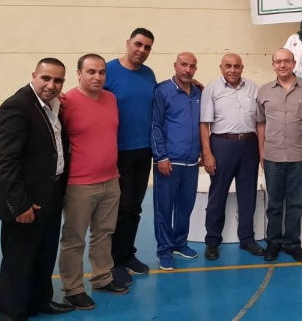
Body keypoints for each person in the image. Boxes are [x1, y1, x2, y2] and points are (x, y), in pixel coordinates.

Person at [0, 58, 75, 320]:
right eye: (46, 78)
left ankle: (39, 301)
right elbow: (4, 162)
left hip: (51, 193)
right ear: (33, 75)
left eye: (58, 80)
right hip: (26, 199)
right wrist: (19, 204)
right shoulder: (17, 107)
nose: (51, 85)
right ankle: (11, 314)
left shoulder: (54, 106)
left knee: (44, 254)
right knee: (19, 260)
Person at [59, 54, 128, 310]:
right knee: (74, 239)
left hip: (111, 180)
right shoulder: (66, 102)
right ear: (79, 74)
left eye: (101, 72)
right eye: (91, 72)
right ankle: (73, 289)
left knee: (104, 233)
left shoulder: (110, 99)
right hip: (79, 184)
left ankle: (101, 277)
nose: (97, 77)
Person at [105, 28, 156, 287]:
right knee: (120, 208)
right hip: (117, 152)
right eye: (138, 44)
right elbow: (87, 94)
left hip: (144, 150)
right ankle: (114, 261)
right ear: (128, 43)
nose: (141, 50)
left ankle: (127, 253)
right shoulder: (108, 71)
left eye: (147, 47)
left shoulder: (149, 75)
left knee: (135, 207)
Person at [200, 53, 265, 260]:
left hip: (249, 145)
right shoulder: (212, 89)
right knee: (218, 194)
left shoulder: (253, 88)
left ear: (242, 68)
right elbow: (204, 124)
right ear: (221, 67)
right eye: (228, 66)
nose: (232, 70)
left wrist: (261, 152)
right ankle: (212, 241)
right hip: (222, 145)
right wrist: (207, 153)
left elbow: (260, 123)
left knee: (248, 194)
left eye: (237, 66)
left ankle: (247, 239)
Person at [257, 48, 302, 262]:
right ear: (273, 65)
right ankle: (273, 242)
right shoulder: (264, 91)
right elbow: (261, 123)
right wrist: (261, 151)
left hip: (299, 155)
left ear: (294, 63)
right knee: (274, 203)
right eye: (278, 61)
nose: (282, 65)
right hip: (272, 155)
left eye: (286, 61)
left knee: (295, 203)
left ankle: (292, 243)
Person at [151, 52, 202, 271]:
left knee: (185, 207)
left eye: (192, 66)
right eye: (183, 65)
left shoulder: (199, 92)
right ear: (175, 65)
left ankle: (180, 243)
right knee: (164, 209)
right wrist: (161, 156)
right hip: (169, 162)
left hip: (192, 163)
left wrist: (202, 151)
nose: (187, 70)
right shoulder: (163, 91)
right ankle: (164, 250)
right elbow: (155, 125)